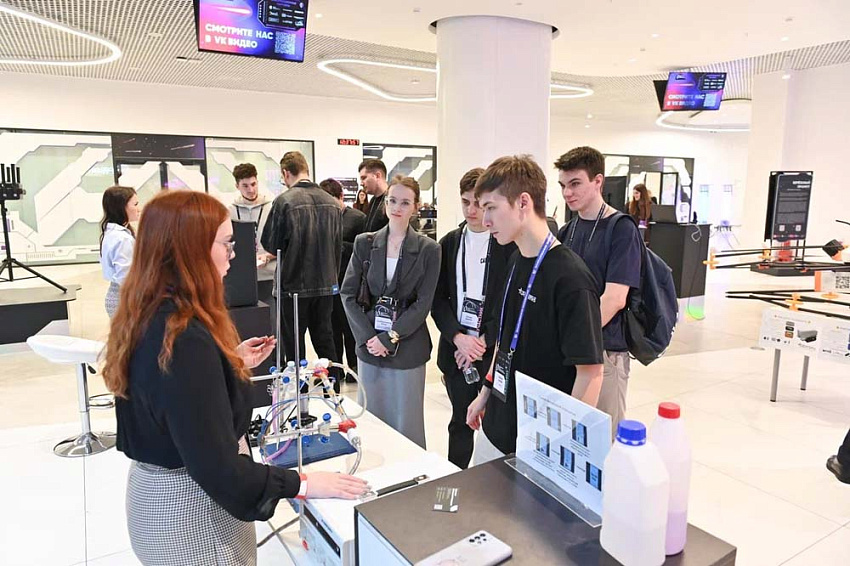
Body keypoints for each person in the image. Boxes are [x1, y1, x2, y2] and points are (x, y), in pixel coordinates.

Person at [102, 191, 368, 566]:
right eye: (226, 243)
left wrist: (225, 362)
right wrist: (303, 484)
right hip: (193, 517)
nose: (233, 254)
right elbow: (218, 468)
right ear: (191, 249)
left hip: (158, 501)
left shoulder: (149, 314)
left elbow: (171, 398)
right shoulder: (184, 340)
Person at [465, 155, 604, 465]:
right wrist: (486, 392)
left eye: (491, 208)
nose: (485, 221)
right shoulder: (515, 258)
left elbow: (591, 373)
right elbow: (504, 338)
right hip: (496, 426)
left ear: (523, 202)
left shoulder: (571, 279)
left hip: (538, 443)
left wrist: (561, 447)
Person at [341, 176, 441, 449]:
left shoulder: (429, 249)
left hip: (408, 347)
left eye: (405, 202)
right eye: (392, 200)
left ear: (416, 207)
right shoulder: (364, 242)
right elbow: (348, 294)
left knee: (406, 422)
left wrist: (390, 337)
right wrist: (368, 338)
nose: (397, 207)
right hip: (369, 345)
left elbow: (423, 303)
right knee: (371, 419)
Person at [555, 146, 644, 440]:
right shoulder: (569, 230)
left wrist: (576, 337)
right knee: (571, 440)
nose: (567, 193)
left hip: (605, 351)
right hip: (572, 353)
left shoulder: (621, 229)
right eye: (563, 185)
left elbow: (615, 299)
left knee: (602, 441)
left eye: (575, 183)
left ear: (598, 181)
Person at [431, 167, 516, 469]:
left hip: (491, 350)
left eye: (478, 203)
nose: (471, 210)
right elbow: (438, 299)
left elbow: (507, 303)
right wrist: (458, 338)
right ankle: (455, 477)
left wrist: (482, 341)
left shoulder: (506, 245)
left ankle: (494, 483)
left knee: (496, 426)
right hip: (456, 351)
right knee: (460, 422)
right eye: (465, 202)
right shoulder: (449, 243)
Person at [261, 151, 341, 366]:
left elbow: (271, 244)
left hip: (292, 286)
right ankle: (331, 384)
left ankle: (299, 385)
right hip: (326, 285)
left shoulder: (284, 202)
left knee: (294, 347)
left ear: (286, 173)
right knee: (325, 340)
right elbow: (337, 246)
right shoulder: (332, 203)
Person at [320, 178, 366, 386]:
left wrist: (340, 245)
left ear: (340, 197)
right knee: (331, 328)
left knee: (350, 327)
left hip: (351, 283)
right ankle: (335, 368)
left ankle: (354, 367)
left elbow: (363, 250)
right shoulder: (322, 219)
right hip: (328, 282)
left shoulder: (357, 218)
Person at [228, 162, 275, 280]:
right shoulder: (230, 211)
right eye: (245, 186)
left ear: (257, 182)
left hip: (269, 275)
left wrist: (268, 256)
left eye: (253, 184)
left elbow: (283, 243)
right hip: (242, 275)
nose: (251, 190)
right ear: (237, 186)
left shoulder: (272, 208)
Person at [100, 186, 140, 318]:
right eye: (135, 204)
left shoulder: (113, 233)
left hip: (118, 296)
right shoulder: (122, 239)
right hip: (125, 299)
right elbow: (125, 276)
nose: (139, 209)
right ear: (122, 207)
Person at [359, 159, 389, 233]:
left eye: (364, 178)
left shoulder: (391, 202)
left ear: (377, 176)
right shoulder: (373, 200)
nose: (361, 183)